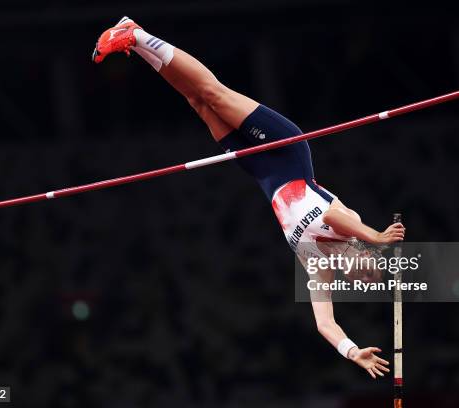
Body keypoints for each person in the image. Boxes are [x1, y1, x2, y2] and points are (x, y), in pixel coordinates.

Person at [93, 17, 404, 379]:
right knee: (214, 94)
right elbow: (334, 217)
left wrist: (352, 352)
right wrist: (377, 236)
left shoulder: (319, 269)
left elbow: (325, 324)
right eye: (369, 268)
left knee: (199, 103)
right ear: (363, 253)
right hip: (287, 152)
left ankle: (133, 39)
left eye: (361, 280)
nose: (361, 274)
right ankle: (137, 35)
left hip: (260, 171)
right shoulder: (349, 223)